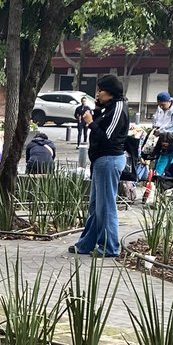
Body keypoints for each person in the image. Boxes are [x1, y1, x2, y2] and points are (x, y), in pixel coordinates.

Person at [71, 74, 128, 258]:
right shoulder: (109, 108)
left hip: (109, 159)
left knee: (106, 207)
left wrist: (90, 123)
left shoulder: (118, 108)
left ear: (110, 92)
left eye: (100, 90)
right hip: (100, 160)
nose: (97, 94)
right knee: (96, 206)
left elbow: (107, 137)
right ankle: (86, 244)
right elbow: (102, 125)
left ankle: (110, 247)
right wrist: (96, 111)